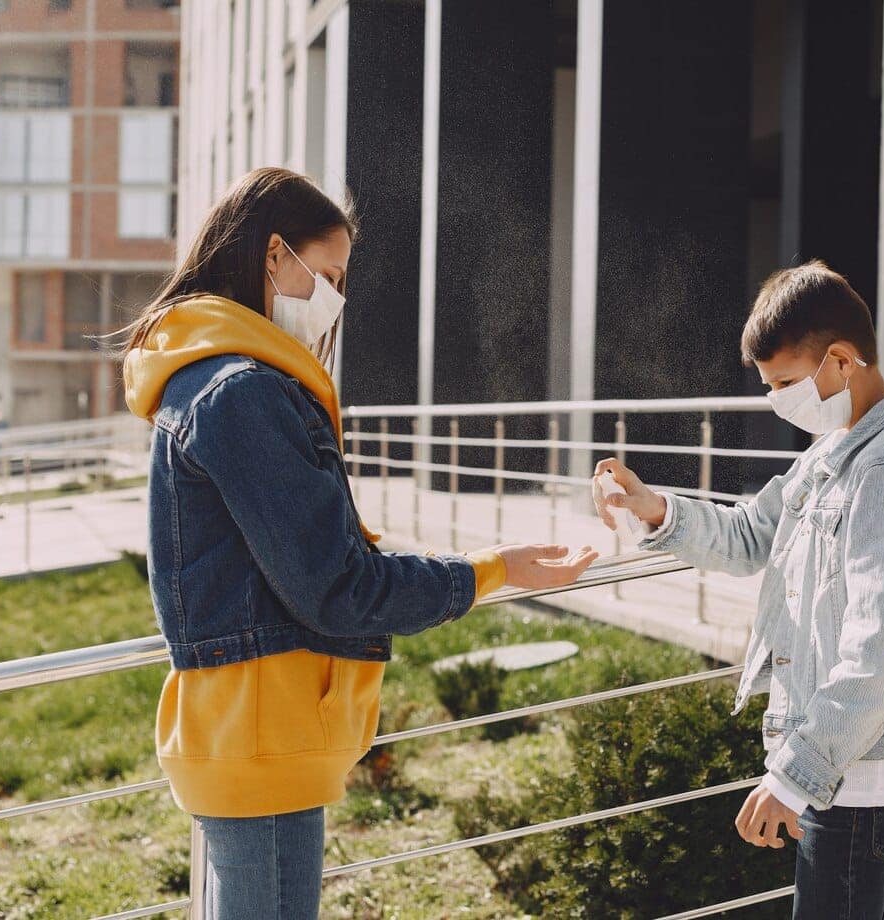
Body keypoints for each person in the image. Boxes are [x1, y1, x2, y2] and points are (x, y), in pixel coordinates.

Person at [120, 166, 598, 919]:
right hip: (261, 732)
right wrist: (495, 570)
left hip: (261, 730)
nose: (335, 299)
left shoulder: (219, 377)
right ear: (274, 255)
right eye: (329, 275)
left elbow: (311, 558)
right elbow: (336, 586)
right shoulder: (240, 392)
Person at [592, 259, 884, 919]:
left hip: (855, 769)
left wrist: (795, 774)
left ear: (842, 362)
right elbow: (748, 536)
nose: (776, 400)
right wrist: (653, 510)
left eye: (786, 383)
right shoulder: (832, 452)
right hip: (845, 765)